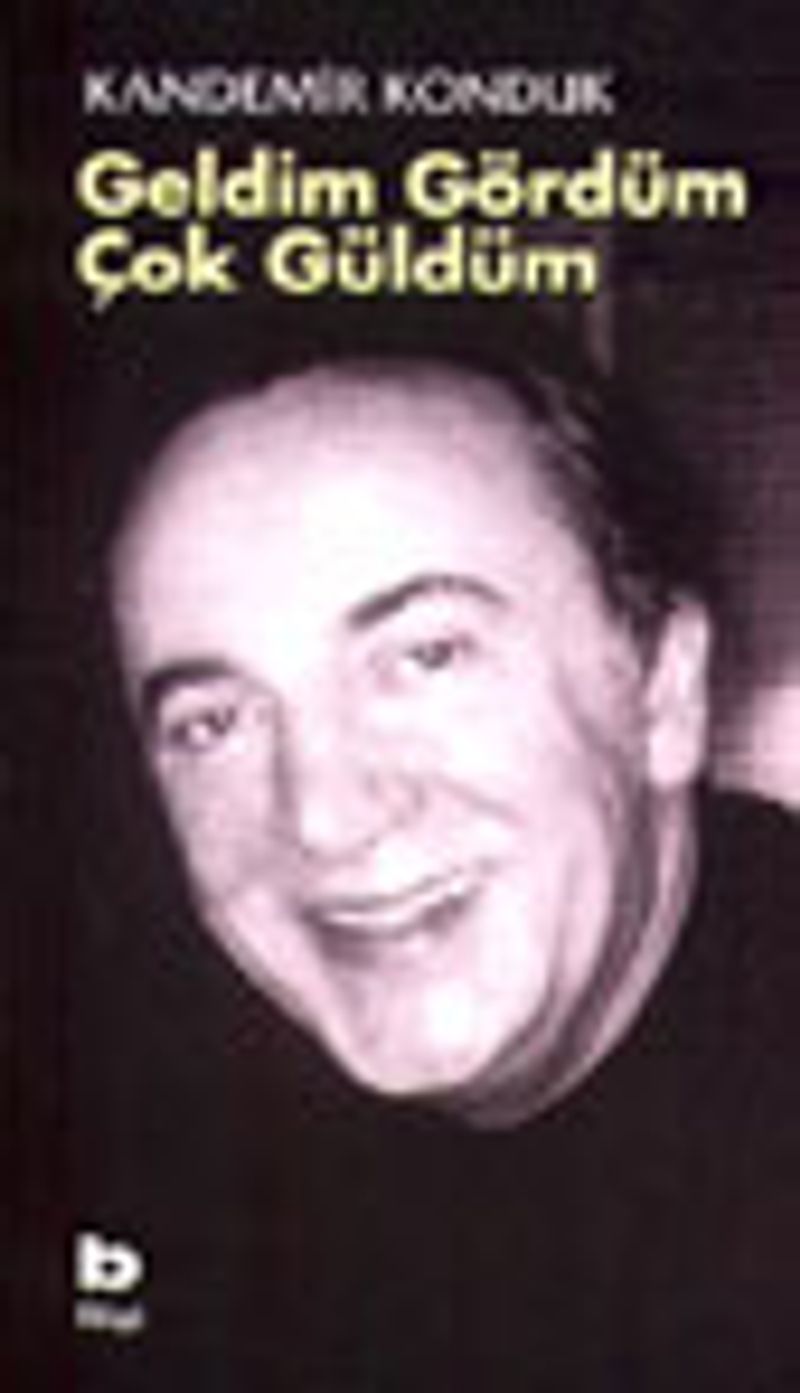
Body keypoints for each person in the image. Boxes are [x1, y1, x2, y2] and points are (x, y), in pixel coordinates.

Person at [106, 333, 800, 1389]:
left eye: (426, 657)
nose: (325, 816)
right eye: (213, 721)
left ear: (660, 689)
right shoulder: (134, 1140)